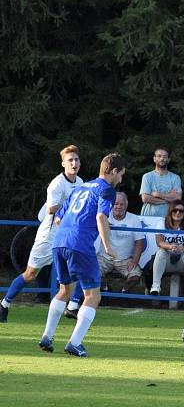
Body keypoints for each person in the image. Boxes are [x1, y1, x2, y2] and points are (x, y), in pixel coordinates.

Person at [37, 153, 126, 357]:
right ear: (113, 172)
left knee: (64, 290)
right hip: (79, 244)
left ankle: (47, 337)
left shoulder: (80, 187)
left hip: (59, 242)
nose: (121, 179)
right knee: (93, 295)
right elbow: (101, 216)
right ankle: (74, 343)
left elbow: (59, 218)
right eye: (121, 174)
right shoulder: (107, 190)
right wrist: (108, 245)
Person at [1, 145, 84, 323]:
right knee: (30, 274)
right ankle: (4, 304)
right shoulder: (57, 184)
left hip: (68, 235)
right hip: (49, 236)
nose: (74, 163)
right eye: (70, 160)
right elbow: (52, 208)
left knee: (79, 268)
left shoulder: (80, 182)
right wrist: (73, 206)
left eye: (76, 159)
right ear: (63, 164)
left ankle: (72, 306)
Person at [96, 192, 145, 294]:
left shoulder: (134, 219)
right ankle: (105, 288)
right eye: (116, 204)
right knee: (90, 271)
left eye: (121, 204)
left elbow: (139, 243)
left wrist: (135, 261)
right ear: (111, 204)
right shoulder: (103, 216)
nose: (118, 207)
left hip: (125, 260)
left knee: (136, 276)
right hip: (104, 258)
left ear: (126, 205)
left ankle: (122, 292)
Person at [149, 200, 184, 298]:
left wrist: (182, 247)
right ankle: (156, 286)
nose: (178, 213)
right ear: (170, 211)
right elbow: (159, 242)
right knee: (161, 252)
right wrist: (170, 246)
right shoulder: (162, 222)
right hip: (166, 261)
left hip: (183, 262)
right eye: (175, 210)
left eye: (181, 211)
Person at [139, 148, 182, 217]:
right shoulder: (147, 176)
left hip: (169, 218)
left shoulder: (175, 178)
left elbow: (177, 198)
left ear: (168, 160)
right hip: (148, 218)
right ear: (154, 159)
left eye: (165, 157)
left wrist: (157, 194)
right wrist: (168, 199)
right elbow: (145, 198)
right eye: (159, 156)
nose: (162, 158)